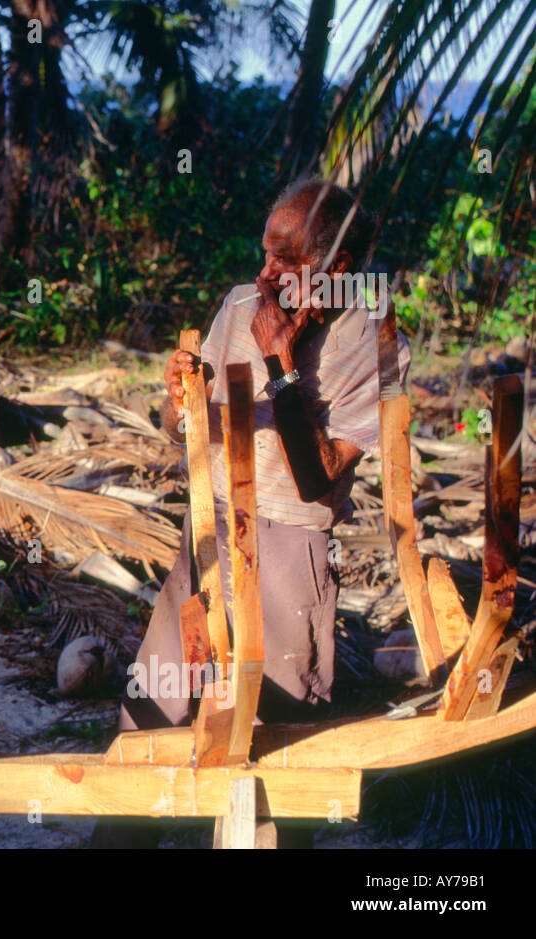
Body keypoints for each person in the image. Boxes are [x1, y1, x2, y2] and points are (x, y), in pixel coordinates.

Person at [96, 177, 410, 848]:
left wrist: (281, 361)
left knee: (275, 743)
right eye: (265, 253)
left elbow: (314, 477)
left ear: (339, 269)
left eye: (287, 262)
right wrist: (178, 398)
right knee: (150, 713)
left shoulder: (373, 341)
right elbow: (182, 422)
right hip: (209, 530)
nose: (265, 273)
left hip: (290, 546)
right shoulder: (241, 303)